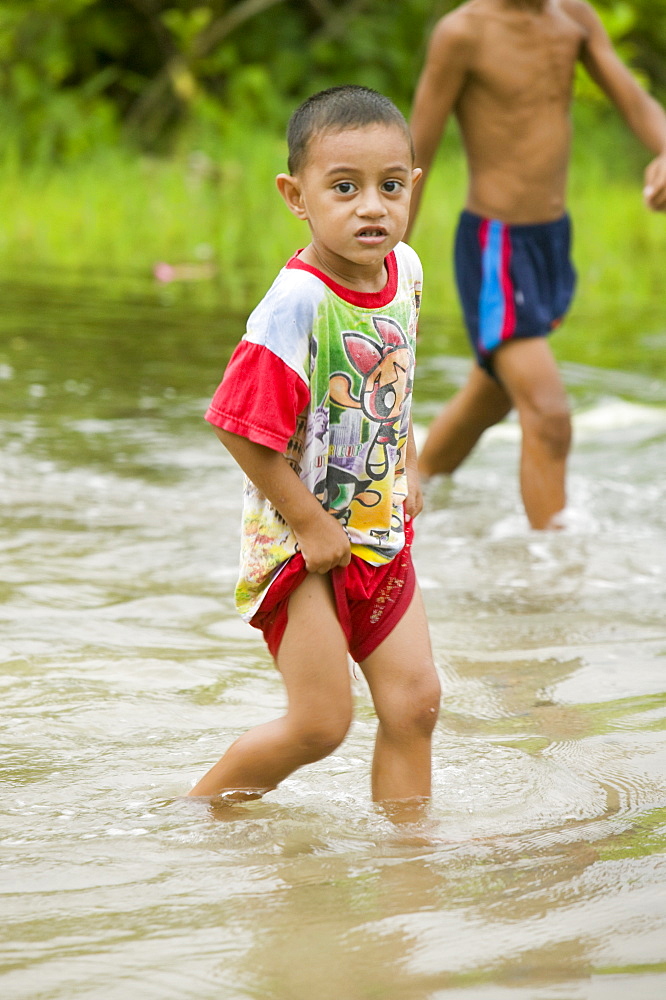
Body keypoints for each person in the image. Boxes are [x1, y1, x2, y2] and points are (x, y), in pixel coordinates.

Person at [188, 85, 441, 816]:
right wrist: (308, 522)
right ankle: (196, 818)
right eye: (344, 188)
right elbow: (237, 423)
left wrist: (410, 463)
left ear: (412, 187)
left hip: (375, 527)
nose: (372, 206)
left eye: (390, 186)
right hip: (300, 544)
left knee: (416, 702)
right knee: (320, 724)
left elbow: (393, 379)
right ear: (295, 195)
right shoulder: (296, 304)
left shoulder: (408, 272)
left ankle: (410, 862)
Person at [408, 0, 666, 529]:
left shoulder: (574, 18)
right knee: (548, 414)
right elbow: (415, 158)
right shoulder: (464, 33)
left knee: (493, 395)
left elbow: (637, 104)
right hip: (496, 247)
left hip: (550, 242)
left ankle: (414, 496)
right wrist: (374, 270)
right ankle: (549, 583)